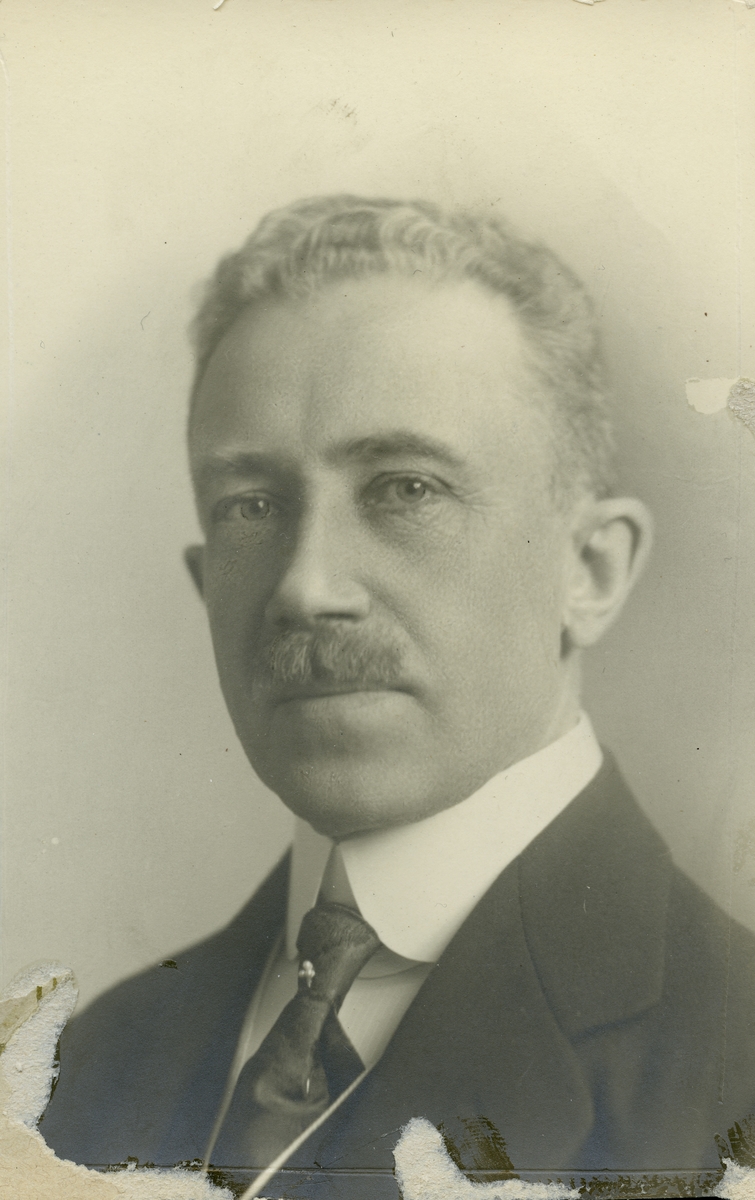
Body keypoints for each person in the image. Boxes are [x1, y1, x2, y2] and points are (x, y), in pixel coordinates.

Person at [42, 196, 755, 1195]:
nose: (305, 587)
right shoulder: (82, 1070)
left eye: (405, 488)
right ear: (206, 586)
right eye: (251, 504)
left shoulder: (730, 1071)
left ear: (589, 569)